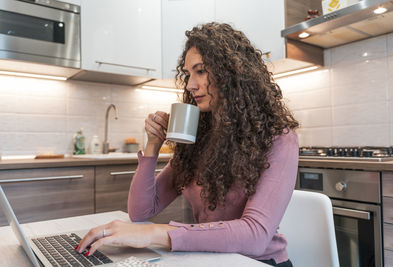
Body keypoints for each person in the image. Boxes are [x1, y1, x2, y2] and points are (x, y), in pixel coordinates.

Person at [75, 22, 299, 267]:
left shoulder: (278, 137)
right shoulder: (198, 136)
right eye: (188, 74)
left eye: (201, 71)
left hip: (259, 262)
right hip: (208, 259)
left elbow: (255, 235)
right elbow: (141, 211)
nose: (191, 84)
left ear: (232, 73)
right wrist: (152, 147)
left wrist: (155, 234)